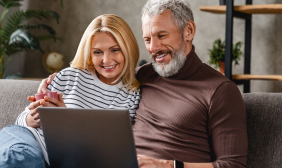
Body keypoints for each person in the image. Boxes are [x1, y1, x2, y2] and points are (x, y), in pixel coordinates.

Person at [40, 0, 248, 168]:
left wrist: (168, 165)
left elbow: (233, 164)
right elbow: (100, 78)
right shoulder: (142, 75)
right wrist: (56, 84)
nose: (154, 47)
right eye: (147, 39)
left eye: (161, 36)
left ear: (189, 31)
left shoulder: (220, 91)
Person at [0, 14, 141, 168]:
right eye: (97, 52)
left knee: (33, 164)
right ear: (89, 53)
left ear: (128, 47)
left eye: (115, 50)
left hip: (55, 161)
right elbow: (21, 121)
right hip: (24, 139)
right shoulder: (71, 76)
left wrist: (66, 120)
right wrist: (30, 118)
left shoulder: (132, 95)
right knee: (27, 159)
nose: (106, 59)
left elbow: (110, 150)